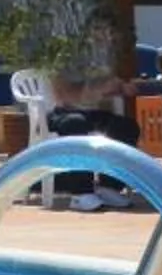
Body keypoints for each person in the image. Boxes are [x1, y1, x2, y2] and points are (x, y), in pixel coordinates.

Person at [47, 68, 144, 210]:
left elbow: (106, 82)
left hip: (90, 112)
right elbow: (66, 94)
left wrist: (121, 87)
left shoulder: (96, 60)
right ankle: (80, 194)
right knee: (75, 123)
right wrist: (99, 88)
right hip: (62, 111)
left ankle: (109, 187)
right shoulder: (60, 61)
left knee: (126, 126)